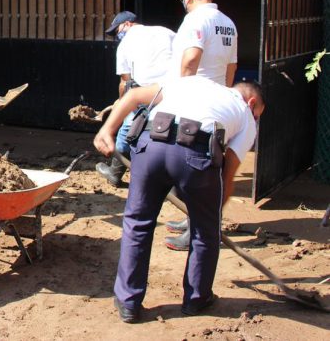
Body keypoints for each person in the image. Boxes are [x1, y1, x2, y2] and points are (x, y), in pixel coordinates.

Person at [93, 76, 265, 323]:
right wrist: (212, 216)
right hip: (196, 155)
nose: (256, 118)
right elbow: (228, 175)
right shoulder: (246, 117)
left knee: (137, 223)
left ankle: (128, 302)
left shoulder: (191, 82)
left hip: (150, 145)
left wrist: (106, 130)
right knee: (204, 233)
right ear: (251, 102)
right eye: (258, 113)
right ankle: (196, 299)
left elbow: (132, 96)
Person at [167, 0, 239, 249]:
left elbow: (190, 61)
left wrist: (183, 94)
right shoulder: (228, 23)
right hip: (217, 104)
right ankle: (192, 220)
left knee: (195, 171)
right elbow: (231, 68)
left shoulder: (195, 19)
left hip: (195, 107)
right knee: (208, 167)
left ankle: (198, 232)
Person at [96, 11, 175, 186]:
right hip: (173, 91)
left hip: (145, 92)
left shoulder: (125, 44)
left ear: (128, 24)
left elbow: (125, 82)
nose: (118, 36)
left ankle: (115, 172)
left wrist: (121, 103)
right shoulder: (166, 32)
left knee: (127, 129)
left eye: (117, 31)